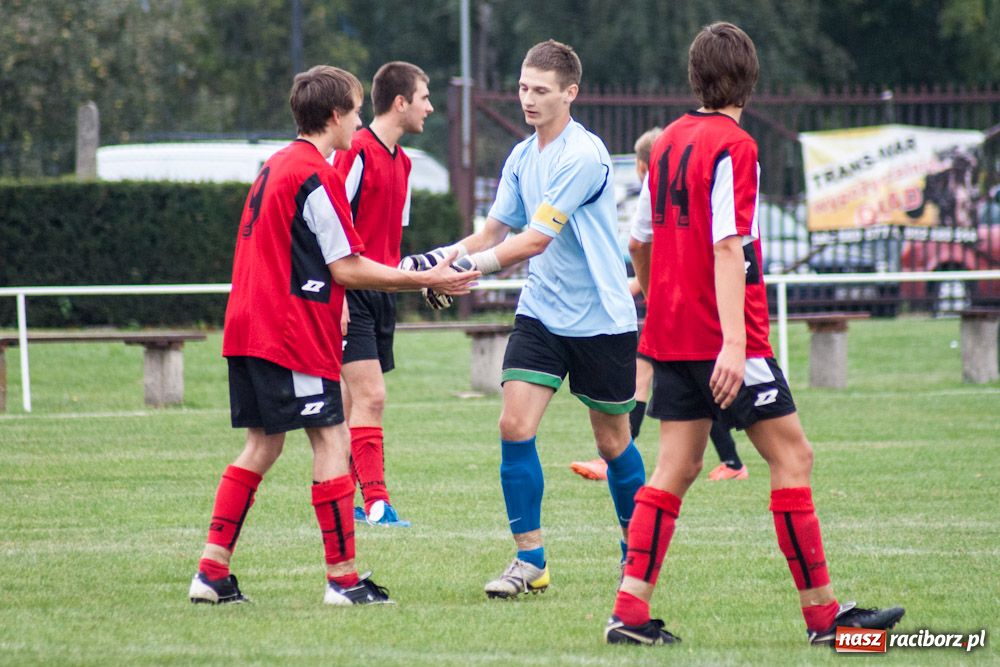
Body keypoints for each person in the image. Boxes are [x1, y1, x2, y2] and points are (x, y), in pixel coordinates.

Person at [604, 23, 904, 645]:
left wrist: (659, 299)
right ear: (749, 79)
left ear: (696, 76)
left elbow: (639, 241)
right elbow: (726, 244)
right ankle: (826, 621)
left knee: (675, 469)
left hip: (670, 338)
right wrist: (736, 345)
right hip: (724, 339)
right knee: (793, 458)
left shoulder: (665, 144)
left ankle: (629, 613)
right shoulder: (735, 147)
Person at [187, 65, 480, 606]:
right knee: (331, 438)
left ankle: (211, 572)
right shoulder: (316, 175)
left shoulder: (275, 165)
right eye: (355, 109)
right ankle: (344, 580)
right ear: (334, 116)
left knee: (262, 444)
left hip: (247, 325)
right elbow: (347, 266)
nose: (361, 119)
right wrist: (425, 279)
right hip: (289, 331)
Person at [402, 39, 647, 598]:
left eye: (541, 90)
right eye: (522, 88)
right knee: (514, 426)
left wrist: (466, 270)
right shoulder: (520, 155)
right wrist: (429, 262)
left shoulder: (584, 156)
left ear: (570, 93)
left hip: (602, 318)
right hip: (541, 314)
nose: (528, 99)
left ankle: (637, 551)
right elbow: (493, 232)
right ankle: (529, 560)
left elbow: (535, 239)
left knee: (612, 442)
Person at [570, 127, 747, 482]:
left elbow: (640, 248)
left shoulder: (657, 193)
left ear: (640, 167)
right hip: (684, 304)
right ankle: (732, 462)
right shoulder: (692, 190)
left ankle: (616, 457)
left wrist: (647, 294)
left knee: (651, 377)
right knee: (690, 384)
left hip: (674, 308)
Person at [331, 62, 435, 527]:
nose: (429, 108)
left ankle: (344, 499)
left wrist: (422, 274)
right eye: (424, 97)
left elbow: (389, 243)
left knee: (353, 403)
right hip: (351, 293)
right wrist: (338, 299)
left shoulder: (405, 163)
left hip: (382, 293)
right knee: (371, 395)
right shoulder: (354, 153)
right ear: (400, 102)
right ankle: (376, 503)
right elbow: (327, 227)